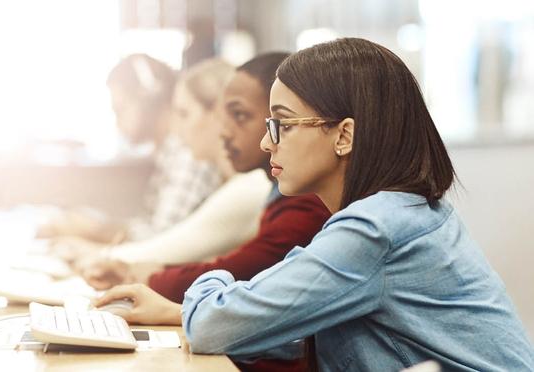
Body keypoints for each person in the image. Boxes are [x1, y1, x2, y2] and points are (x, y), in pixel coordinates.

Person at [94, 38, 534, 371]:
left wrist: (213, 290)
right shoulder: (400, 212)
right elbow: (298, 334)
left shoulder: (375, 228)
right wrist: (181, 312)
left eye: (282, 124)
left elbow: (216, 326)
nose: (267, 142)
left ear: (344, 135)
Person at [54, 58, 273, 267]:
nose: (176, 129)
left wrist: (91, 253)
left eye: (184, 114)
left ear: (217, 115)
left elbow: (167, 252)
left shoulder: (249, 188)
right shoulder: (241, 184)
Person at [37, 54, 221, 243]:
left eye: (120, 110)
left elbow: (161, 240)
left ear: (150, 98)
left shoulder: (188, 155)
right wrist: (96, 226)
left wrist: (96, 233)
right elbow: (152, 226)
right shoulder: (167, 155)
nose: (117, 122)